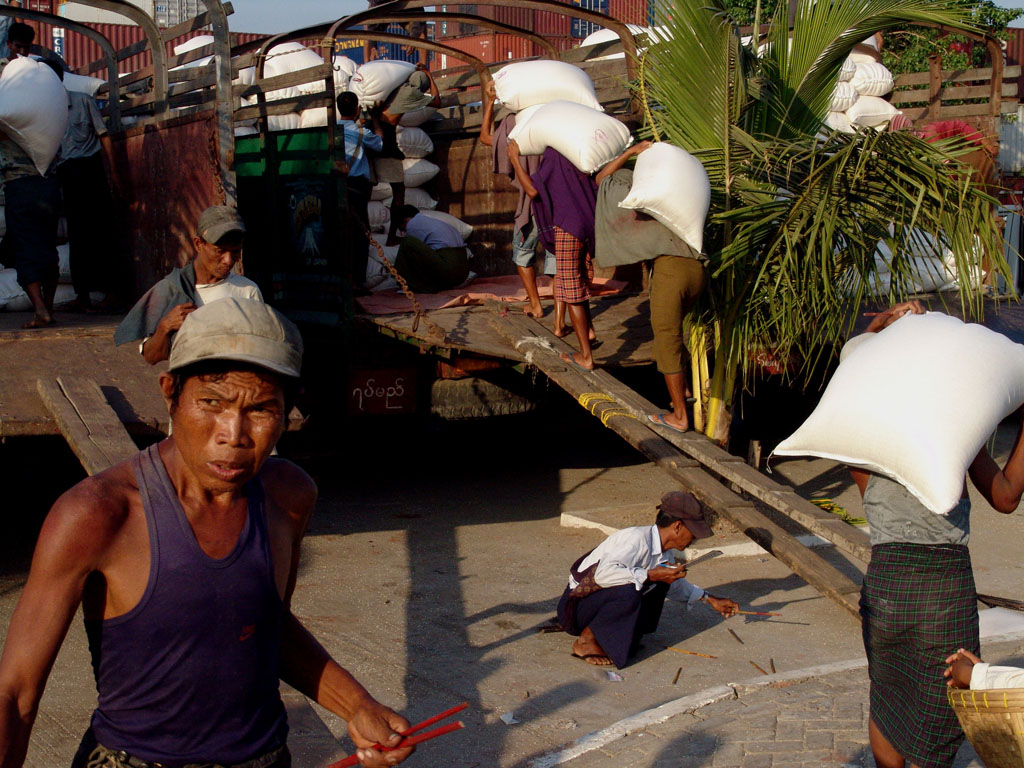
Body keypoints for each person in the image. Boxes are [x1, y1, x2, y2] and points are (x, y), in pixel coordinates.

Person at [0, 298, 414, 768]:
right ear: (170, 392)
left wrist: (357, 705)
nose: (233, 434)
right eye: (211, 403)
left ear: (287, 412)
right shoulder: (97, 515)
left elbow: (264, 626)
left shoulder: (288, 497)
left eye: (261, 409)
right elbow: (15, 694)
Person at [849, 301, 1024, 768]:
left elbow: (851, 369)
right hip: (941, 584)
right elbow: (1006, 496)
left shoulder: (859, 435)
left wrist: (878, 328)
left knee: (887, 695)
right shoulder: (951, 433)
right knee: (941, 707)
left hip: (885, 580)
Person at [593, 142, 709, 432]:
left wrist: (629, 153)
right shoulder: (673, 202)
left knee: (666, 337)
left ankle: (680, 417)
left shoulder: (640, 198)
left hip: (671, 270)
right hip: (695, 269)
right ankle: (681, 393)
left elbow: (601, 180)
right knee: (673, 332)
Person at [556, 490, 738, 669]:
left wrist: (709, 598)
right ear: (677, 526)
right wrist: (650, 575)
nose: (694, 539)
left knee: (660, 583)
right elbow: (602, 575)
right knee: (631, 587)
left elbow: (674, 586)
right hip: (574, 609)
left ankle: (617, 636)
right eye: (693, 533)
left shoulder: (665, 553)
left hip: (591, 607)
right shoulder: (635, 539)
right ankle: (586, 641)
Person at [114, 205, 263, 364]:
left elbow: (261, 350)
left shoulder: (247, 291)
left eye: (235, 251)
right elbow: (151, 357)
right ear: (199, 244)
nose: (228, 260)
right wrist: (165, 326)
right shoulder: (172, 289)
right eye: (220, 251)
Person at [508, 141, 599, 370]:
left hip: (568, 227)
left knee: (571, 290)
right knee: (580, 281)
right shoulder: (581, 153)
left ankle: (585, 356)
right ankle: (587, 331)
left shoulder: (555, 155)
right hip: (587, 226)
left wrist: (515, 161)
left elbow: (532, 190)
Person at [479, 79, 557, 319]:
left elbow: (485, 137)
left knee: (523, 254)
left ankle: (535, 304)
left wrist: (490, 101)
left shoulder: (513, 123)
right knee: (558, 258)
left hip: (532, 203)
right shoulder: (554, 121)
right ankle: (562, 311)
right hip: (557, 202)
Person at [0, 48, 64, 329]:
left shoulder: (9, 116)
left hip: (21, 185)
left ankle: (40, 310)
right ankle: (47, 307)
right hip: (49, 185)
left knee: (23, 247)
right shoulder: (48, 112)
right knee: (47, 247)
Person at [55, 62, 123, 312]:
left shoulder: (83, 101)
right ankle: (82, 295)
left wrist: (113, 172)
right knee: (78, 235)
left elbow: (103, 136)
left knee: (102, 232)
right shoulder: (46, 110)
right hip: (67, 175)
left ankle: (112, 293)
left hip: (90, 170)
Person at [373, 65, 440, 246]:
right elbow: (436, 102)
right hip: (387, 144)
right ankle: (391, 236)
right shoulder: (411, 94)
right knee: (399, 192)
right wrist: (430, 76)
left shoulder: (395, 90)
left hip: (374, 138)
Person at [334, 90, 383, 290]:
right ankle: (358, 281)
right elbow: (379, 144)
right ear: (357, 110)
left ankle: (340, 278)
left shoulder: (332, 130)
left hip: (336, 184)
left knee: (339, 231)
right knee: (361, 233)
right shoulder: (362, 133)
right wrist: (376, 121)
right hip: (357, 188)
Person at [393, 203, 469, 293]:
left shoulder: (413, 223)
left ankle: (412, 285)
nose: (405, 231)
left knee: (407, 242)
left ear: (405, 220)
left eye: (403, 229)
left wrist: (396, 272)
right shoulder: (434, 222)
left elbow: (413, 255)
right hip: (463, 273)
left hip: (449, 270)